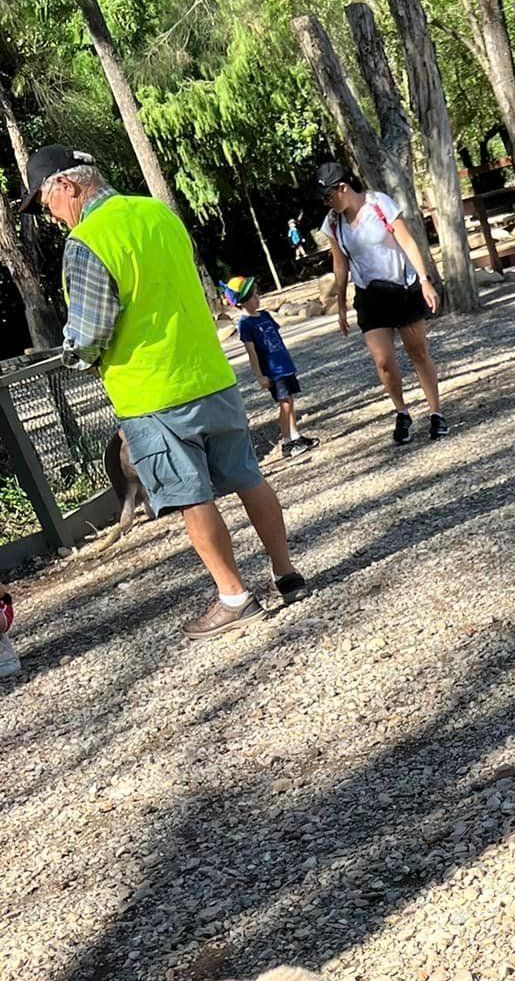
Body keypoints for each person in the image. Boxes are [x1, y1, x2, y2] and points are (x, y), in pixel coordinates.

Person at [21, 146, 306, 641]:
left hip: (152, 393)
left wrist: (72, 355)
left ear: (66, 185)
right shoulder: (158, 212)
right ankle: (286, 574)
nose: (50, 215)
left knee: (192, 497)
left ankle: (234, 597)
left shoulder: (86, 241)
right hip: (209, 373)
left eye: (46, 201)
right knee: (247, 477)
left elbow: (89, 333)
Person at [317, 162, 446, 445]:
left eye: (328, 196)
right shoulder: (333, 223)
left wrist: (424, 280)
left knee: (418, 352)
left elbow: (408, 242)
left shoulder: (378, 204)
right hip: (369, 295)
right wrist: (339, 303)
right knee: (383, 361)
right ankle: (401, 411)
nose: (326, 203)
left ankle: (436, 412)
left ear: (343, 187)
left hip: (402, 287)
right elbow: (340, 264)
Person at [230, 276, 316, 461]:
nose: (257, 298)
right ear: (242, 302)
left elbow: (277, 340)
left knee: (290, 402)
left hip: (284, 365)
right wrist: (259, 375)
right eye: (252, 297)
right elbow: (252, 353)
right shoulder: (246, 324)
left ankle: (296, 436)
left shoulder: (265, 315)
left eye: (256, 294)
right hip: (272, 371)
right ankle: (287, 441)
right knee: (284, 404)